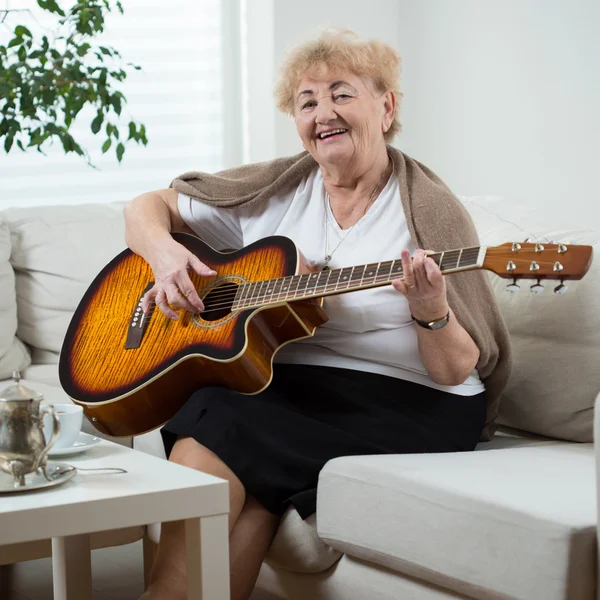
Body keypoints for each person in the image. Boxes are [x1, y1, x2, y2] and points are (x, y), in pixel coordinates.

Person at [126, 28, 511, 600]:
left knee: (221, 416)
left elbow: (456, 371)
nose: (323, 113)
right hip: (298, 389)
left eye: (341, 93)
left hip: (410, 401)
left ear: (387, 107)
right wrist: (163, 257)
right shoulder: (275, 191)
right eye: (307, 102)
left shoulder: (427, 210)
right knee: (224, 423)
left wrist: (430, 312)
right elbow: (146, 206)